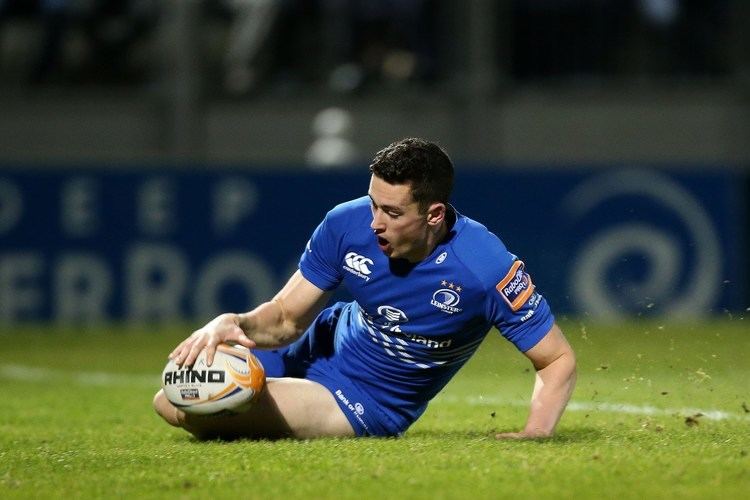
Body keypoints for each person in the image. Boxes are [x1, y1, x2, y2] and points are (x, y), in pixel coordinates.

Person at [153, 138, 577, 440]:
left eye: (392, 212)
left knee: (201, 413)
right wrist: (233, 323)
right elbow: (284, 320)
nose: (375, 222)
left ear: (433, 215)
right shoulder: (345, 223)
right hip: (318, 345)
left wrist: (536, 432)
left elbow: (556, 359)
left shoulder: (484, 269)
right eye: (373, 203)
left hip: (366, 401)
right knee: (170, 401)